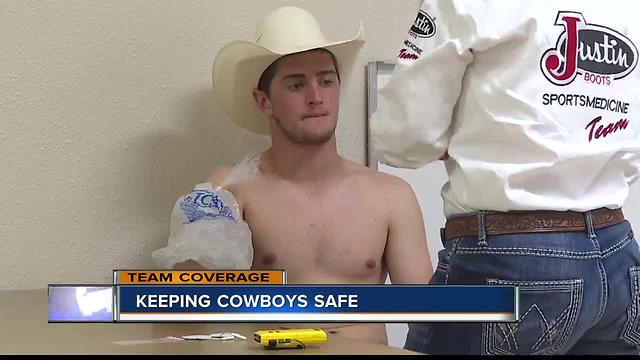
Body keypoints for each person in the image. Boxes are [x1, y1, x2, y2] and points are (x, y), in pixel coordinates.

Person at [370, 0, 640, 355]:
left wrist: (450, 139)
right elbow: (629, 155)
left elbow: (402, 135)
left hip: (511, 254)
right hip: (617, 252)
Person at [155, 6, 433, 345]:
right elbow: (191, 304)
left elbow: (429, 318)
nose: (316, 97)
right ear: (264, 102)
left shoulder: (392, 196)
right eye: (296, 85)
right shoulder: (233, 187)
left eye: (326, 81)